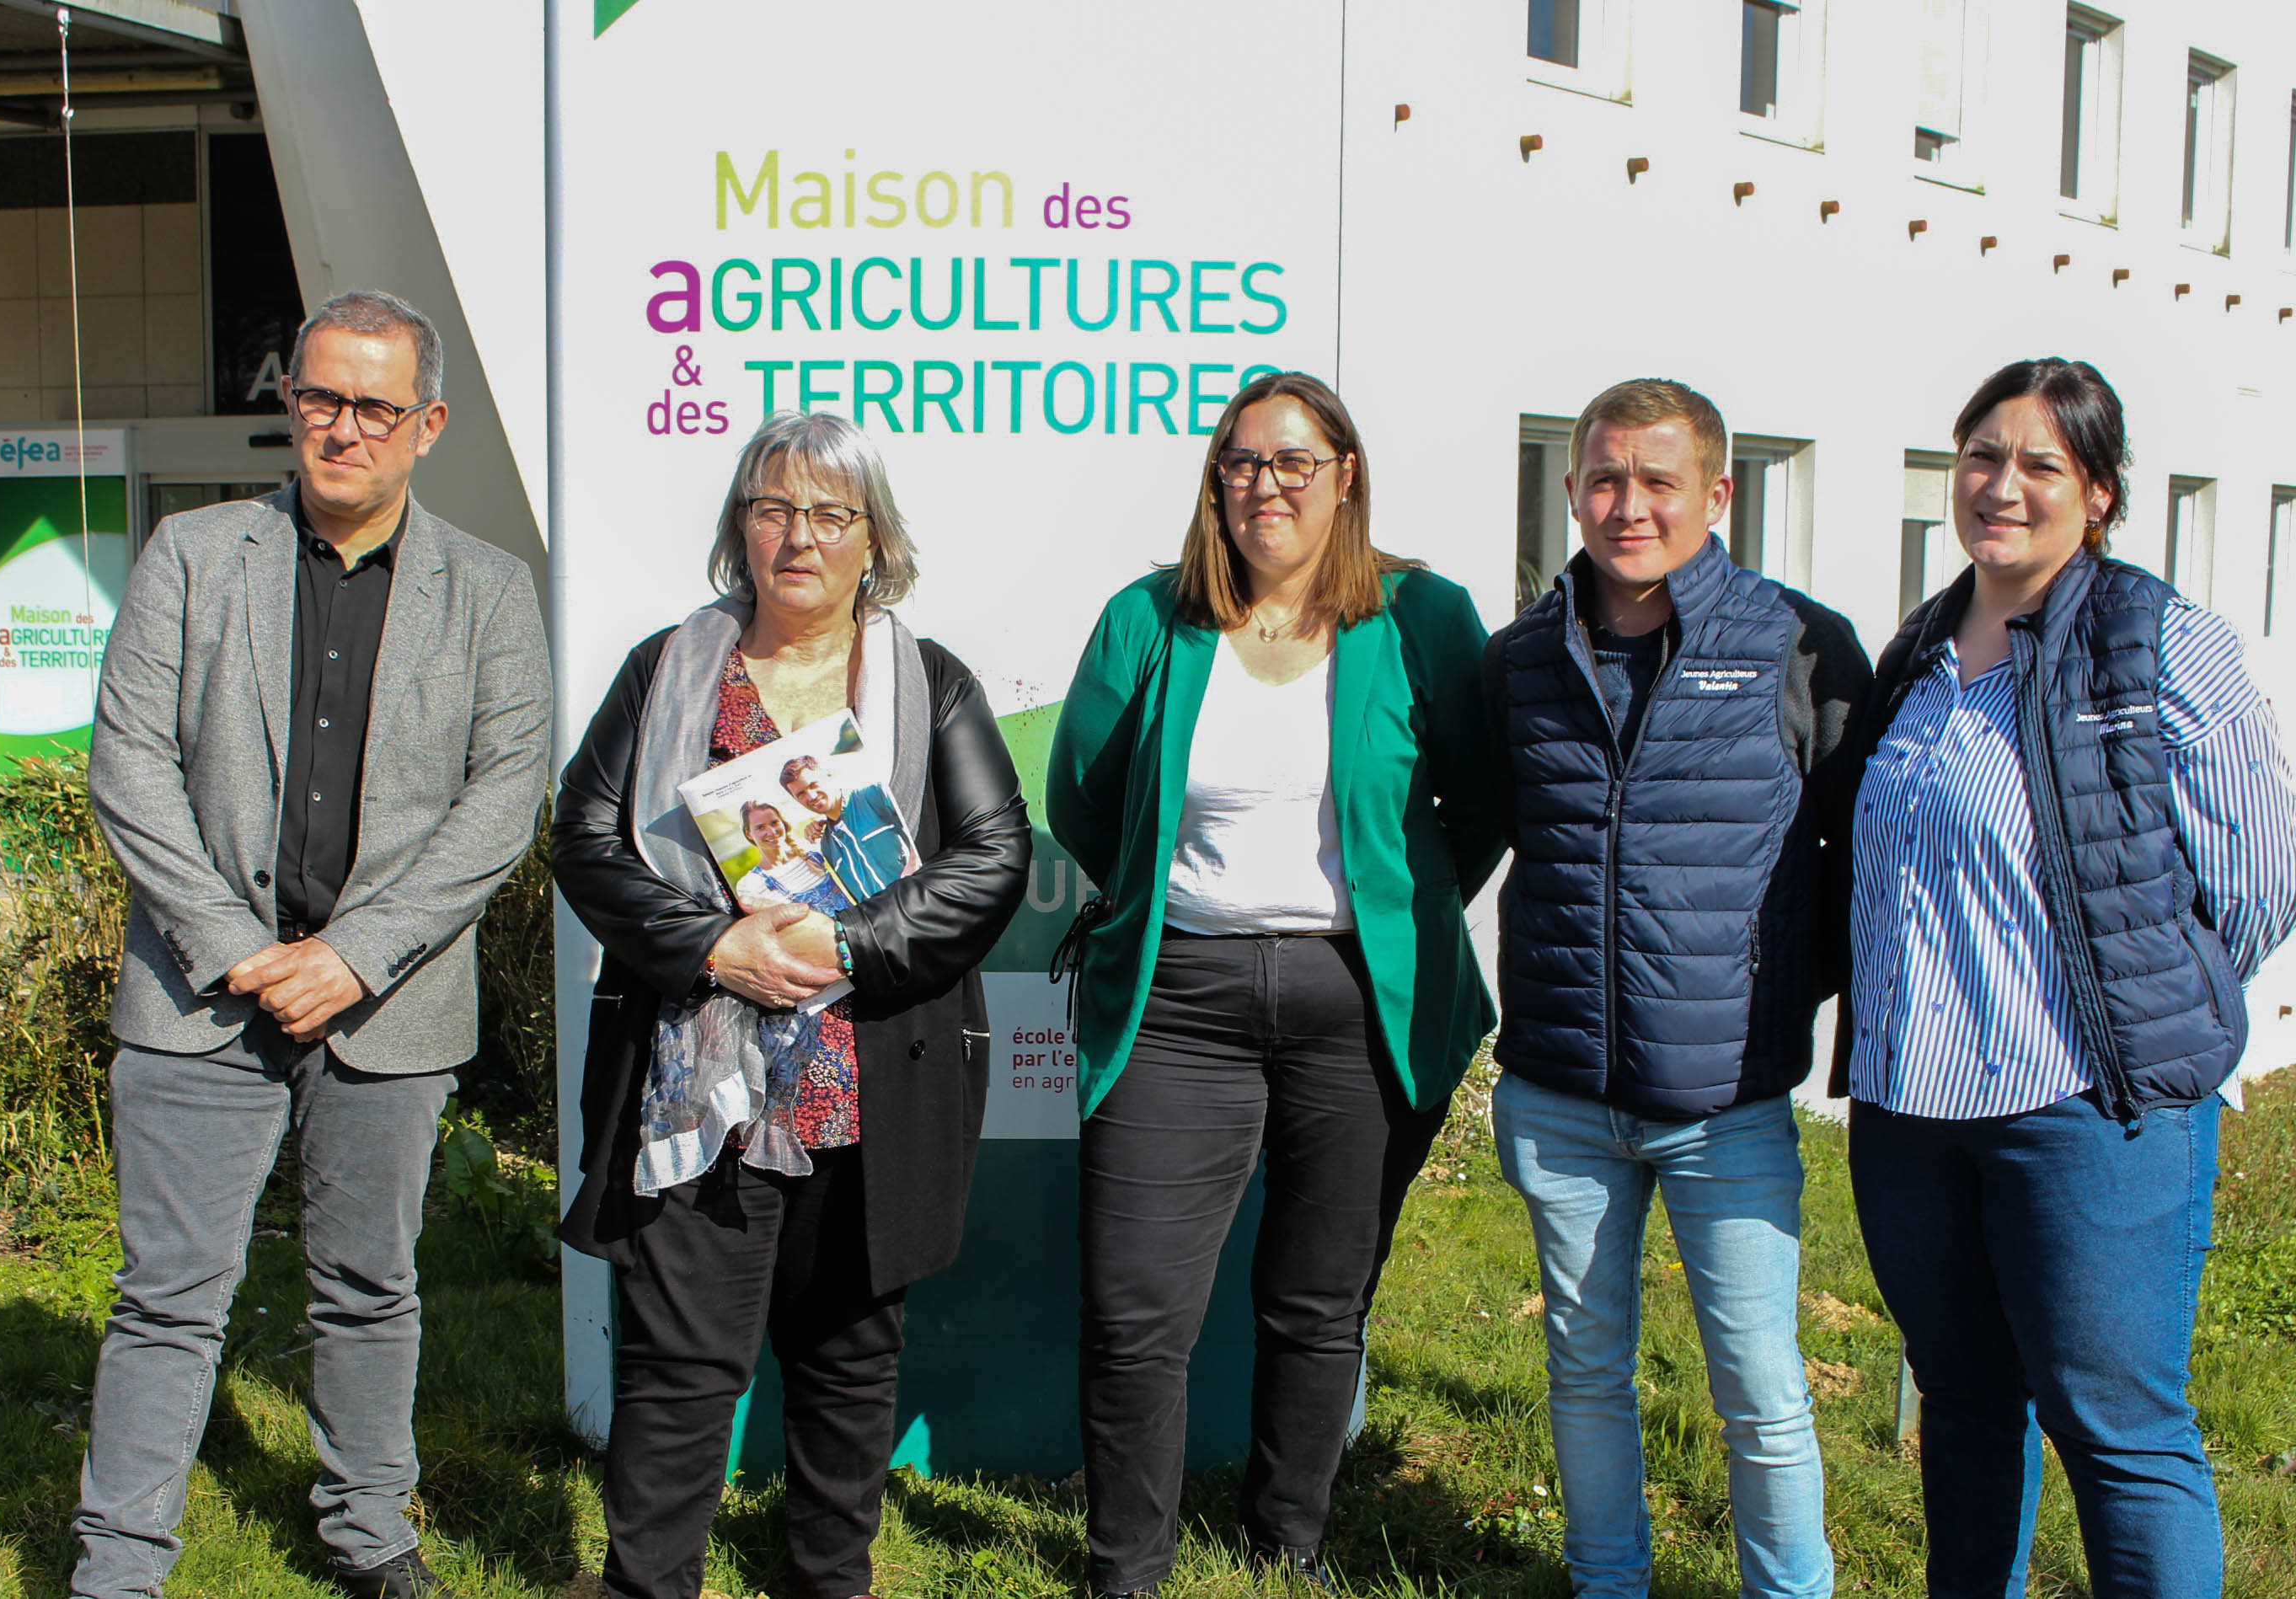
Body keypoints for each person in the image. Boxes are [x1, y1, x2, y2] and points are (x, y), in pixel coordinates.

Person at [76, 290, 553, 1599]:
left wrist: (355, 954)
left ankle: (366, 1530)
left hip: (383, 1005)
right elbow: (130, 766)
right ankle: (119, 1561)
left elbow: (501, 799)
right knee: (170, 1293)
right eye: (319, 397)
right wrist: (237, 947)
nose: (341, 427)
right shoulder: (192, 554)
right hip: (200, 997)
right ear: (289, 402)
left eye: (372, 406)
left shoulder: (491, 592)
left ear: (427, 423)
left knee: (369, 1283)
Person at [1834, 358, 2296, 1598]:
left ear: (2096, 493)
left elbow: (2259, 881)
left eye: (2039, 464)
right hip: (1911, 1112)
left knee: (2118, 1429)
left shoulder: (2157, 642)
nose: (2001, 486)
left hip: (2083, 1110)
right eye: (1980, 457)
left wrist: (2142, 1002)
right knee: (1966, 1398)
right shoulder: (1920, 647)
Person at [554, 409, 1030, 1599]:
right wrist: (715, 947)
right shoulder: (669, 667)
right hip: (695, 1084)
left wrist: (842, 944)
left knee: (848, 1362)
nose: (799, 536)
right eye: (772, 507)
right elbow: (584, 837)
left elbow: (991, 858)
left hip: (868, 1080)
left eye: (829, 512)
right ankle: (647, 1585)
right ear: (739, 528)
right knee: (675, 1372)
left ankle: (829, 1581)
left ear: (873, 539)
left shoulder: (929, 683)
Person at [1048, 371, 1503, 1597]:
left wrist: (1396, 913)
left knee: (1316, 1296)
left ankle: (1283, 1545)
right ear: (1215, 482)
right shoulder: (1150, 618)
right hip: (1178, 996)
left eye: (1294, 462)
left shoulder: (1420, 617)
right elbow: (1084, 794)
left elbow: (1480, 798)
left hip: (1356, 998)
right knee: (1135, 1309)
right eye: (1242, 462)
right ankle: (1124, 1567)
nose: (1265, 486)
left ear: (1344, 475)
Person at [1482, 378, 1869, 1599]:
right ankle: (1607, 1581)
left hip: (1727, 1101)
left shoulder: (1798, 645)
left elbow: (1856, 851)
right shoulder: (1520, 659)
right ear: (1570, 489)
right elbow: (1479, 830)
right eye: (1603, 479)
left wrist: (1783, 1003)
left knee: (1757, 1381)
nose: (1626, 505)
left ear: (1717, 492)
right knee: (1584, 1367)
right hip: (1559, 1092)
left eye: (1657, 481)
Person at [784, 751, 914, 898]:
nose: (811, 796)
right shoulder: (827, 844)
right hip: (889, 916)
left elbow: (922, 824)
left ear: (828, 775)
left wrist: (914, 868)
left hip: (921, 893)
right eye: (801, 794)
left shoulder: (876, 795)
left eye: (814, 785)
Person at [739, 797, 849, 912]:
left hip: (857, 926)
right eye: (761, 827)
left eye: (774, 823)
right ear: (749, 834)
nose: (772, 832)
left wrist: (824, 820)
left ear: (783, 822)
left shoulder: (812, 848)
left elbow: (846, 830)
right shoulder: (751, 884)